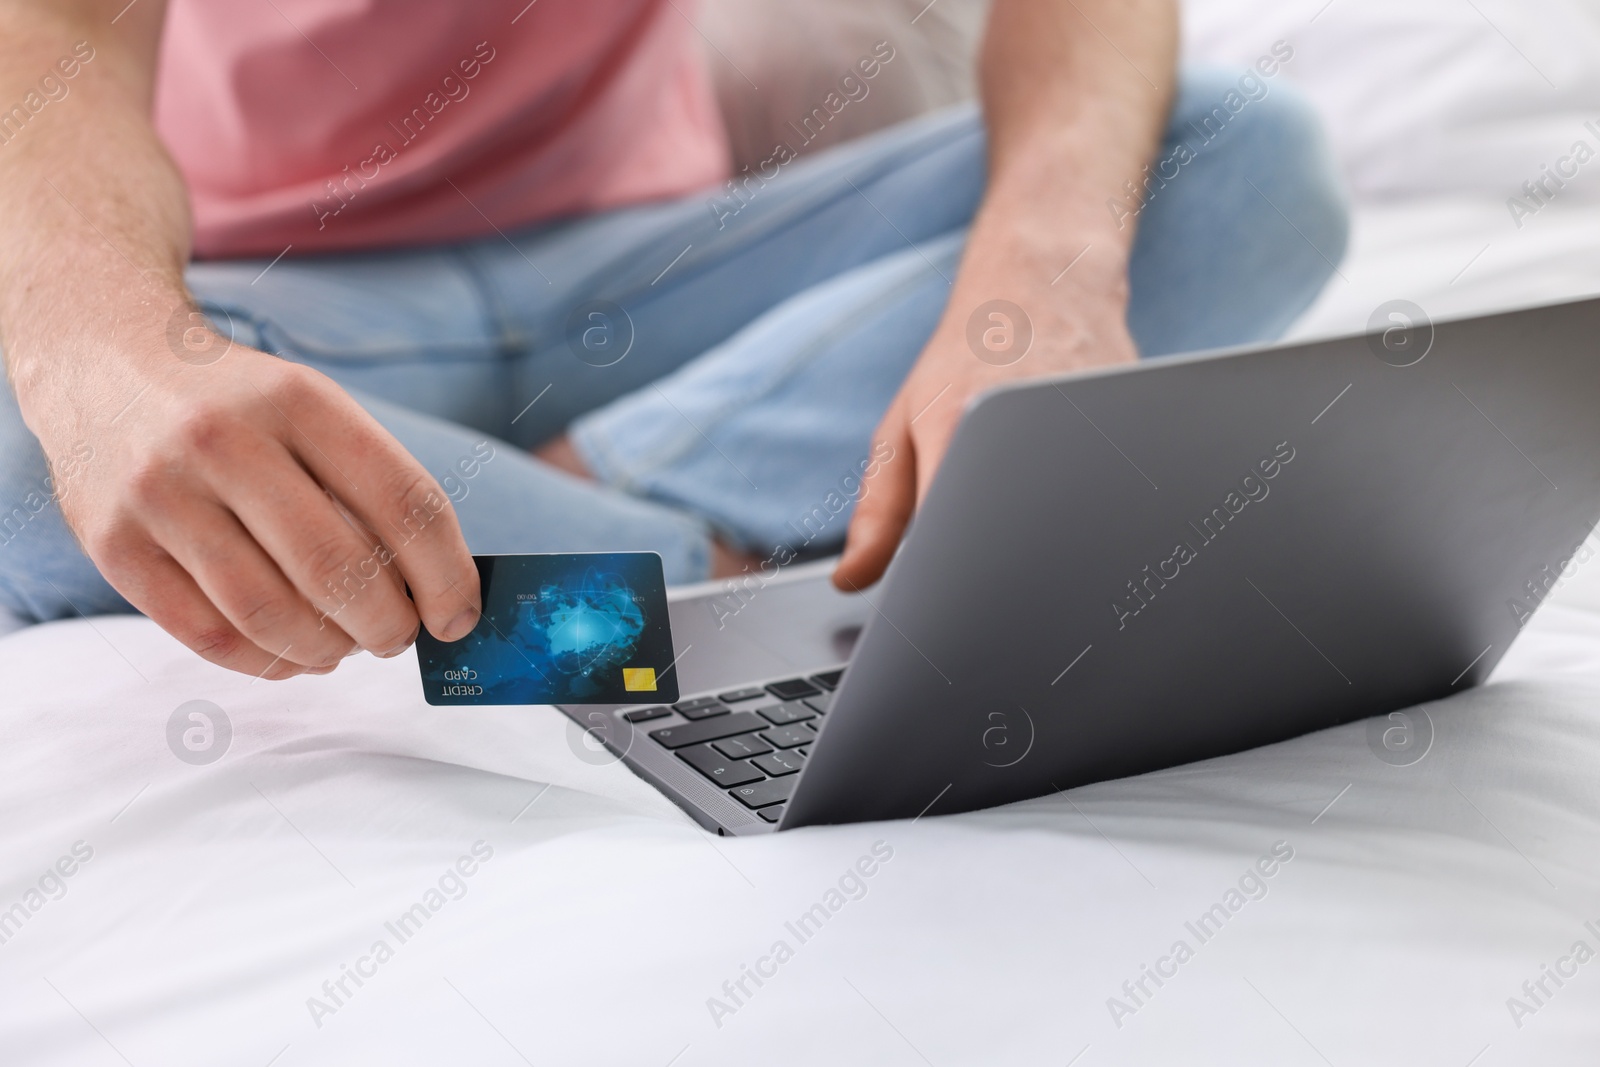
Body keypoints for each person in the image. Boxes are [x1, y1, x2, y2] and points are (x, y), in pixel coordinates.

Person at [0, 0, 1346, 680]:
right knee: (35, 410)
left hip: (659, 279)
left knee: (1241, 160)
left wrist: (1039, 276)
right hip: (288, 311)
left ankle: (591, 547)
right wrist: (112, 349)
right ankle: (715, 574)